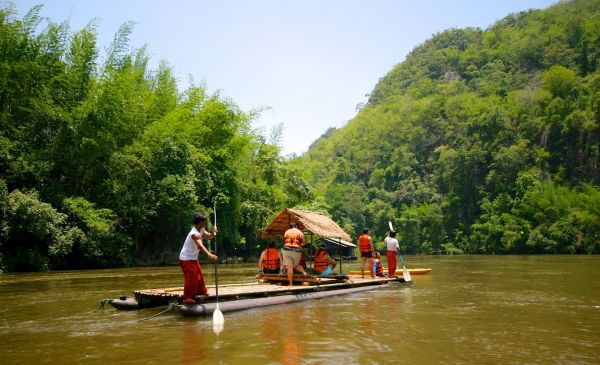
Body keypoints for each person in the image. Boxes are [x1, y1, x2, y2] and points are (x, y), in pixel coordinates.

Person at [179, 212, 218, 305]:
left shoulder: (201, 229)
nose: (204, 224)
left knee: (199, 276)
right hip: (186, 259)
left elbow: (209, 236)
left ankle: (200, 291)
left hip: (193, 258)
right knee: (191, 277)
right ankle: (187, 298)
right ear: (199, 222)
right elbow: (200, 246)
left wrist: (213, 232)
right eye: (203, 222)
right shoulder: (194, 234)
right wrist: (210, 255)